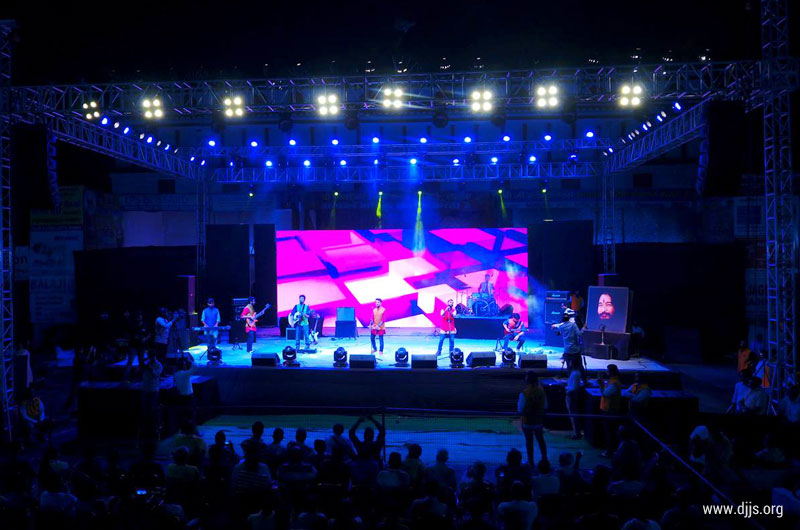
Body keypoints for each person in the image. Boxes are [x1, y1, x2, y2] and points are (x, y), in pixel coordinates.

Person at [517, 371, 548, 465]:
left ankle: (531, 463)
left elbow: (520, 409)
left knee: (529, 442)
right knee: (541, 440)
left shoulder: (524, 393)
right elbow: (545, 406)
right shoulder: (541, 392)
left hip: (527, 422)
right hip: (538, 421)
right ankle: (545, 459)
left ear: (527, 381)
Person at [599, 364, 622, 457]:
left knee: (610, 432)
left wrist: (601, 385)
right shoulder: (612, 381)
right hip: (608, 410)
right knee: (609, 432)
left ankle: (610, 451)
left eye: (607, 371)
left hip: (611, 411)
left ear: (611, 372)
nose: (606, 372)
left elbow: (606, 393)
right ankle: (609, 450)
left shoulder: (614, 383)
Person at [125, 310, 150, 383]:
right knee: (130, 362)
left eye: (140, 316)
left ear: (142, 317)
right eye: (137, 316)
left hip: (141, 346)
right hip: (133, 346)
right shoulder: (132, 325)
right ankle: (126, 379)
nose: (139, 317)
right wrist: (133, 338)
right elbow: (128, 334)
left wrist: (145, 339)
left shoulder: (145, 325)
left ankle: (140, 378)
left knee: (141, 362)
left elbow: (149, 334)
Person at [564, 355, 585, 439]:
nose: (569, 363)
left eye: (570, 362)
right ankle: (575, 432)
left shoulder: (576, 374)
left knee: (573, 414)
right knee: (572, 414)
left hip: (572, 395)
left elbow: (575, 387)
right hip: (570, 394)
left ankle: (577, 433)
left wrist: (567, 390)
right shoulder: (574, 373)